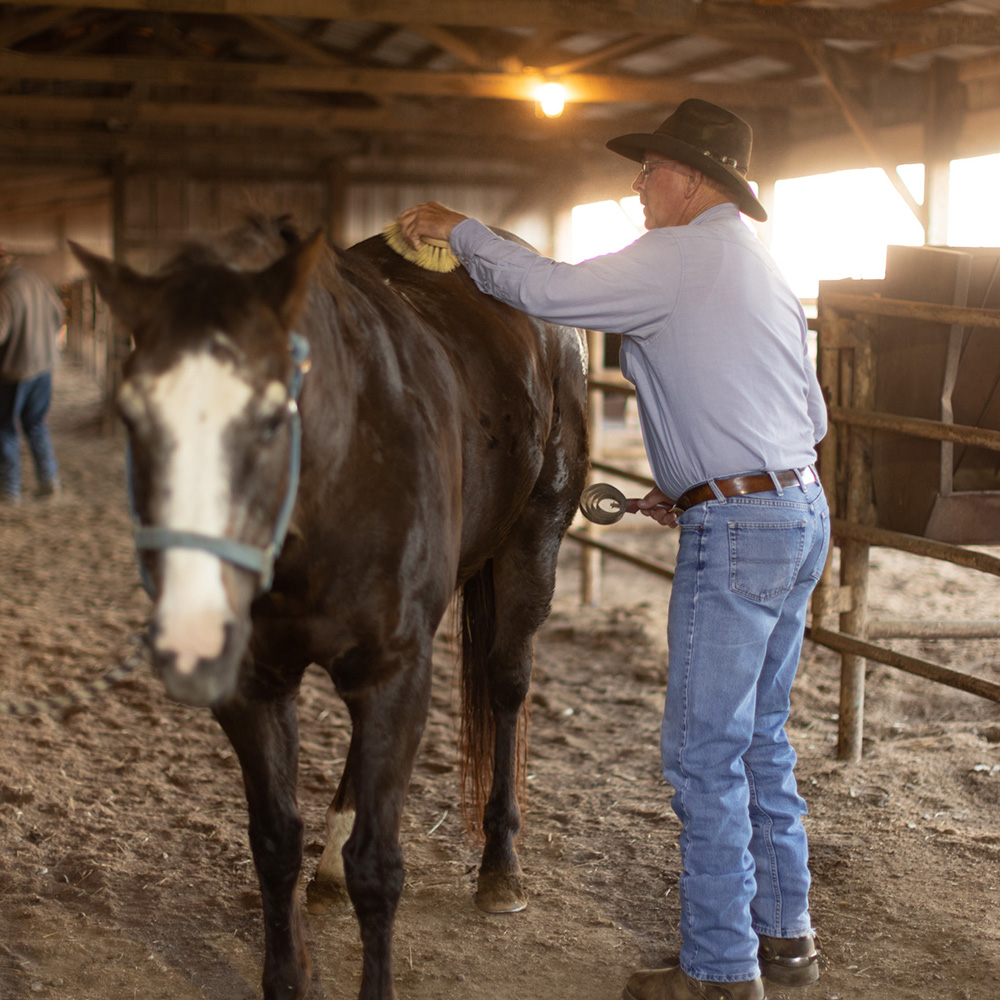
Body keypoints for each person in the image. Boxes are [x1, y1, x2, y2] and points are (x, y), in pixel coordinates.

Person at [398, 98, 829, 1000]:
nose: (639, 184)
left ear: (695, 180)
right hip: (797, 511)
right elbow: (810, 413)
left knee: (703, 755)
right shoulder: (759, 262)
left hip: (741, 530)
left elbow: (548, 293)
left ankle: (719, 971)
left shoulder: (677, 255)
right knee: (761, 740)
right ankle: (785, 937)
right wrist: (700, 478)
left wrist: (466, 230)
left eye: (653, 168)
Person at [0, 251, 63, 503]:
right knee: (36, 424)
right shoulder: (38, 281)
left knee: (4, 429)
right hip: (44, 367)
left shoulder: (6, 291)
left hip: (15, 370)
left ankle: (9, 490)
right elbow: (59, 316)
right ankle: (49, 482)